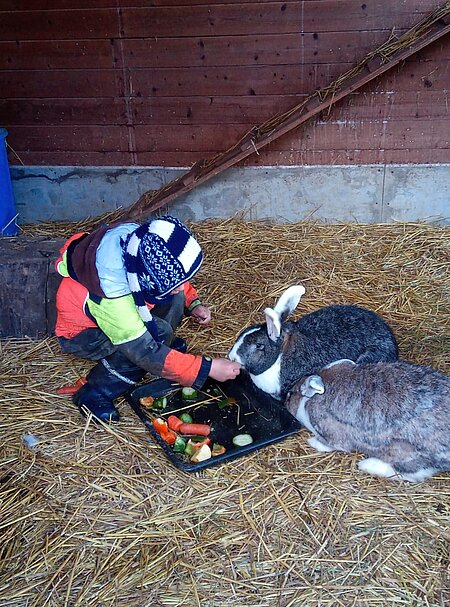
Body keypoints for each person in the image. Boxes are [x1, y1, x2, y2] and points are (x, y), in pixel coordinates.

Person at [54, 215, 240, 422]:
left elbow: (173, 276)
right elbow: (143, 351)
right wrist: (207, 367)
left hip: (124, 307)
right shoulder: (109, 295)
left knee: (174, 296)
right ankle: (95, 392)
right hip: (84, 336)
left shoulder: (138, 242)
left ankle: (166, 348)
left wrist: (192, 302)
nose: (181, 286)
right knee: (154, 340)